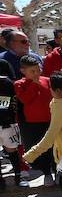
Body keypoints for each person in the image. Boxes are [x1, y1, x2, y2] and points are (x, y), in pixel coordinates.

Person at [14, 55, 54, 184]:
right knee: (39, 149)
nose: (36, 73)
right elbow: (25, 99)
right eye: (32, 71)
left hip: (51, 120)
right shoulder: (19, 84)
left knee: (54, 148)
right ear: (23, 71)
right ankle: (47, 173)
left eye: (38, 70)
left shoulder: (47, 80)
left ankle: (57, 171)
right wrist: (34, 85)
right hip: (32, 123)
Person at [0, 61, 25, 189]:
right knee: (12, 150)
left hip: (7, 123)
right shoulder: (9, 82)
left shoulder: (6, 83)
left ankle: (16, 177)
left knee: (11, 150)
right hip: (7, 122)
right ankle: (17, 177)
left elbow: (5, 104)